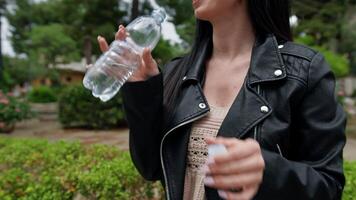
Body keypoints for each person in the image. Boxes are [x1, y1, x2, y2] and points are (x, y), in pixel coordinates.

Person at [96, 0, 346, 199]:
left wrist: (269, 172)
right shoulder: (178, 72)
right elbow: (150, 167)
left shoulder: (303, 71)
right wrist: (141, 91)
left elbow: (329, 185)